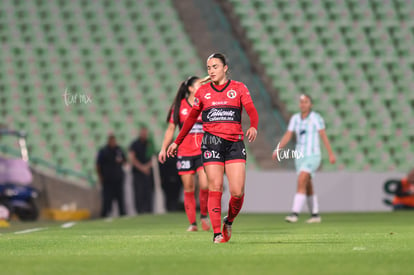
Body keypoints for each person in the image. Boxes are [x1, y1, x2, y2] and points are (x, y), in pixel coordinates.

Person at [167, 53, 259, 243]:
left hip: (234, 143)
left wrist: (253, 126)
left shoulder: (239, 88)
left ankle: (229, 220)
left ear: (225, 68)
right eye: (209, 67)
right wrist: (177, 141)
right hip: (211, 143)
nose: (211, 70)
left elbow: (251, 110)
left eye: (215, 66)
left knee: (237, 192)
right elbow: (191, 119)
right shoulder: (203, 92)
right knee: (214, 187)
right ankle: (217, 233)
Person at [272, 94, 336, 223]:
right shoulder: (295, 118)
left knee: (302, 179)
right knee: (307, 184)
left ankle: (294, 213)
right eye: (301, 102)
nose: (303, 104)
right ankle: (315, 215)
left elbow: (323, 135)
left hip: (313, 155)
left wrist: (330, 153)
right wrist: (278, 148)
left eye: (306, 102)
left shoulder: (316, 118)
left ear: (310, 104)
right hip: (300, 156)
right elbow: (288, 134)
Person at [159, 76, 210, 232]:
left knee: (205, 184)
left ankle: (204, 216)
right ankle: (192, 223)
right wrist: (163, 148)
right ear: (190, 89)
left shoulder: (204, 104)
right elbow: (170, 129)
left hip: (202, 151)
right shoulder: (179, 107)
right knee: (188, 187)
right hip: (185, 152)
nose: (201, 86)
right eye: (198, 84)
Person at [96, 134, 127, 217]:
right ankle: (104, 216)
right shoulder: (103, 151)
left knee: (120, 199)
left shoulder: (119, 150)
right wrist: (100, 177)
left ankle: (122, 215)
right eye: (112, 141)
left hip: (118, 179)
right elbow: (98, 165)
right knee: (107, 200)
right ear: (109, 141)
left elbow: (125, 161)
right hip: (107, 180)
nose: (113, 142)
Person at [129, 126, 155, 214]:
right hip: (138, 173)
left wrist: (147, 167)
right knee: (138, 193)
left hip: (147, 172)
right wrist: (142, 168)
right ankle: (139, 211)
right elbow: (132, 158)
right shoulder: (135, 144)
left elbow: (153, 158)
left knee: (148, 192)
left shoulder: (150, 144)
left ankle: (149, 210)